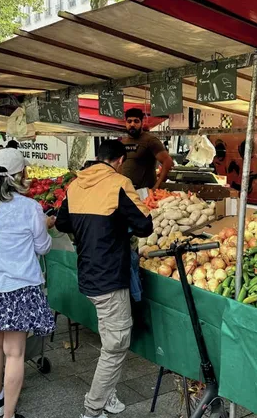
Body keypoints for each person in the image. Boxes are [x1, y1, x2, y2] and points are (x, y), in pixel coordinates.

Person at [56, 140, 153, 418]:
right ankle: (93, 408)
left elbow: (62, 223)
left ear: (98, 157)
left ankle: (107, 394)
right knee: (116, 345)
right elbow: (145, 225)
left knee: (109, 336)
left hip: (87, 272)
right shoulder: (119, 183)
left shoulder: (76, 184)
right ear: (120, 160)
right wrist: (120, 222)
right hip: (109, 276)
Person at [0, 148, 55, 418]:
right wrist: (45, 225)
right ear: (21, 174)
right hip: (18, 287)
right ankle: (9, 415)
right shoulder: (30, 208)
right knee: (15, 353)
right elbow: (43, 247)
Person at [120, 108, 173, 191]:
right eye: (129, 121)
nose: (132, 124)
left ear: (142, 122)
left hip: (145, 192)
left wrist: (157, 186)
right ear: (125, 123)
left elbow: (168, 162)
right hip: (125, 190)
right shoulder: (123, 142)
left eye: (136, 121)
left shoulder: (150, 140)